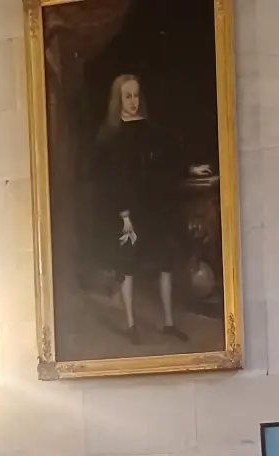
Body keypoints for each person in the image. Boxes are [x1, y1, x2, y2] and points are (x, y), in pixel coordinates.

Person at [95, 73, 189, 343]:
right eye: (128, 96)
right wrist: (125, 216)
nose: (133, 101)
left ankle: (169, 322)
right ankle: (131, 324)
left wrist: (187, 169)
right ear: (118, 99)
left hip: (156, 205)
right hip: (128, 209)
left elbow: (166, 164)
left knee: (165, 261)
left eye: (136, 95)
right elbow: (114, 179)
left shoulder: (151, 129)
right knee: (128, 264)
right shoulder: (111, 136)